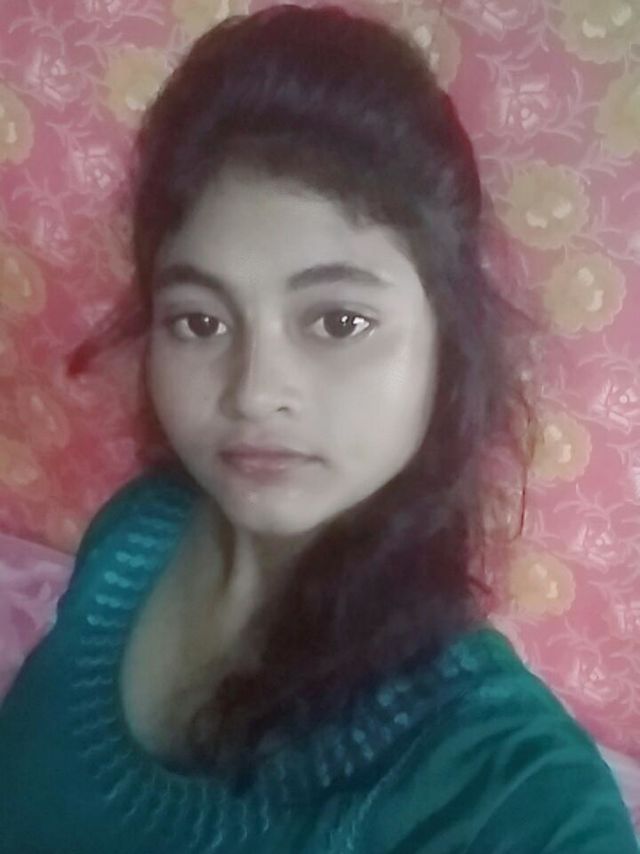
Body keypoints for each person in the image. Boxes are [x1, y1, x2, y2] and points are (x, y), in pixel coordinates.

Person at [0, 4, 637, 852]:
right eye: (199, 321)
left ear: (449, 341)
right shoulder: (136, 531)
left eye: (338, 322)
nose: (255, 392)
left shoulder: (505, 790)